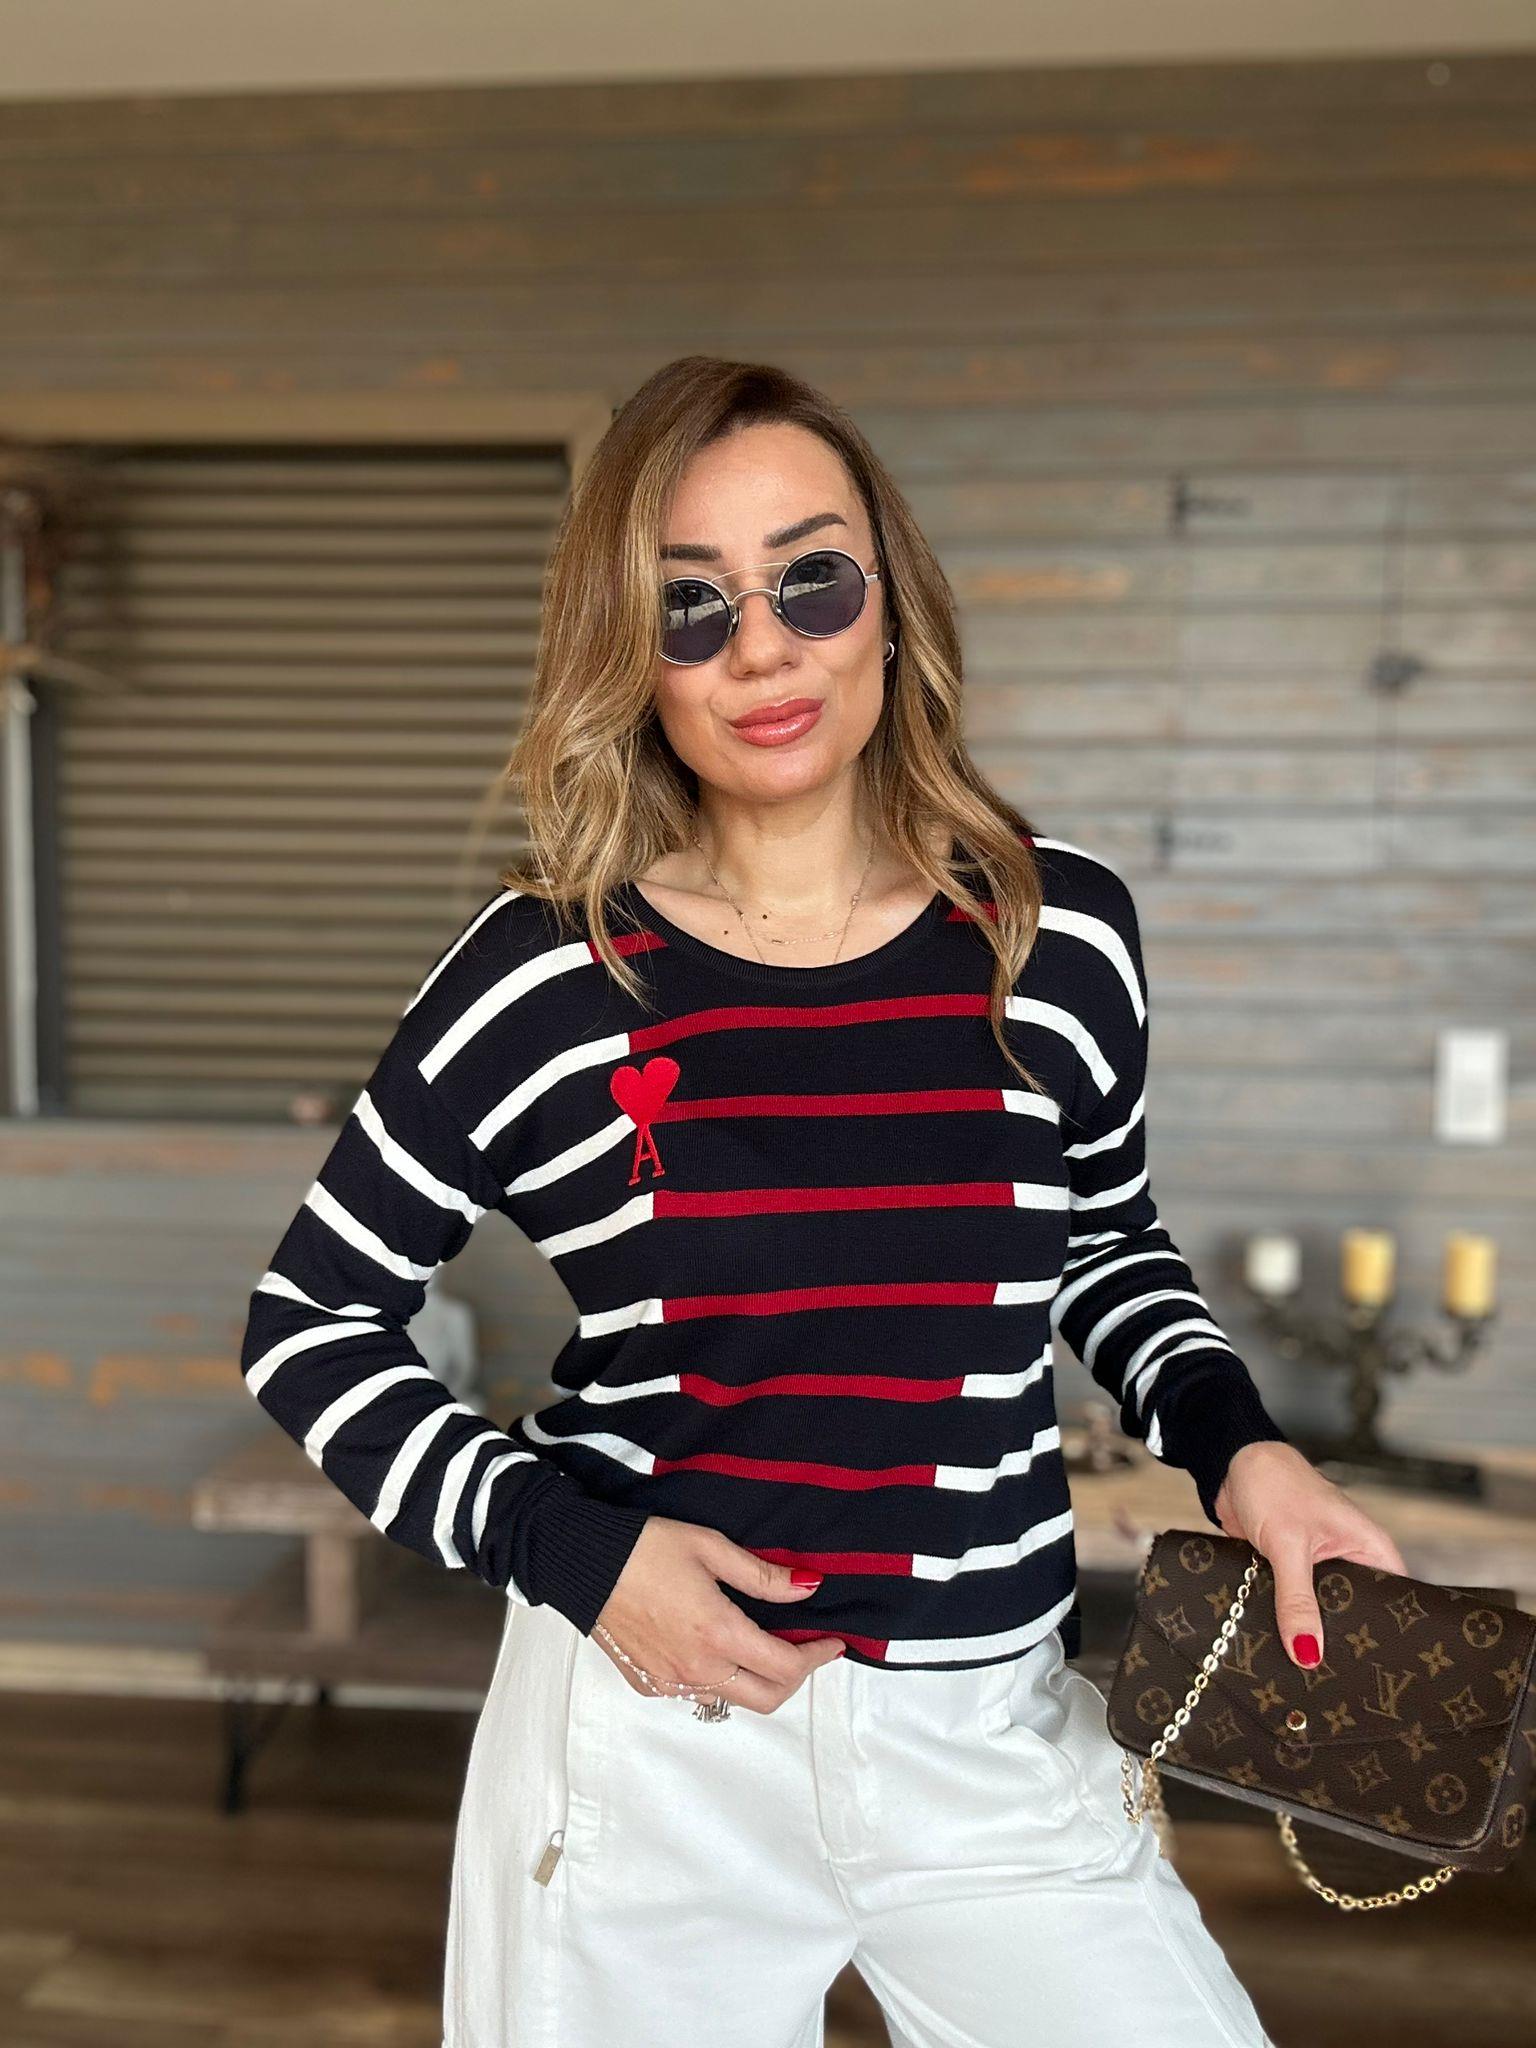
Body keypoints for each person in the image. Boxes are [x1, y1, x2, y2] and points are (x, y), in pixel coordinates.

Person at [239, 355, 1408, 2048]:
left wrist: (1246, 1452)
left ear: (889, 600)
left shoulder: (1055, 934)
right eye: (689, 604)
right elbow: (311, 1325)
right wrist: (577, 1555)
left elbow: (1099, 1240)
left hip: (987, 1734)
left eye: (811, 580)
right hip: (646, 1747)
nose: (763, 648)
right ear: (628, 650)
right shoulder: (543, 974)